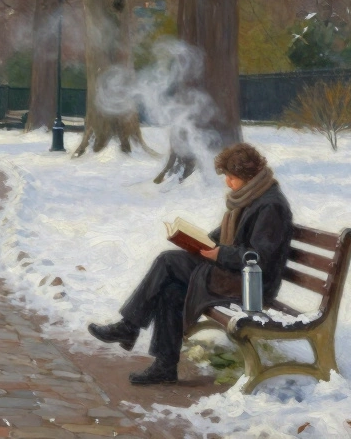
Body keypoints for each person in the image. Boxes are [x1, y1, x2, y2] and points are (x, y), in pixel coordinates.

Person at [87, 143, 293, 385]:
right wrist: (200, 242)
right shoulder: (252, 196)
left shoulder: (271, 205)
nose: (227, 182)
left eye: (231, 177)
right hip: (232, 274)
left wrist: (220, 254)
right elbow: (228, 236)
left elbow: (259, 258)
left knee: (167, 261)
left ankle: (129, 326)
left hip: (252, 285)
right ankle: (164, 366)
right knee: (171, 289)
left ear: (248, 176)